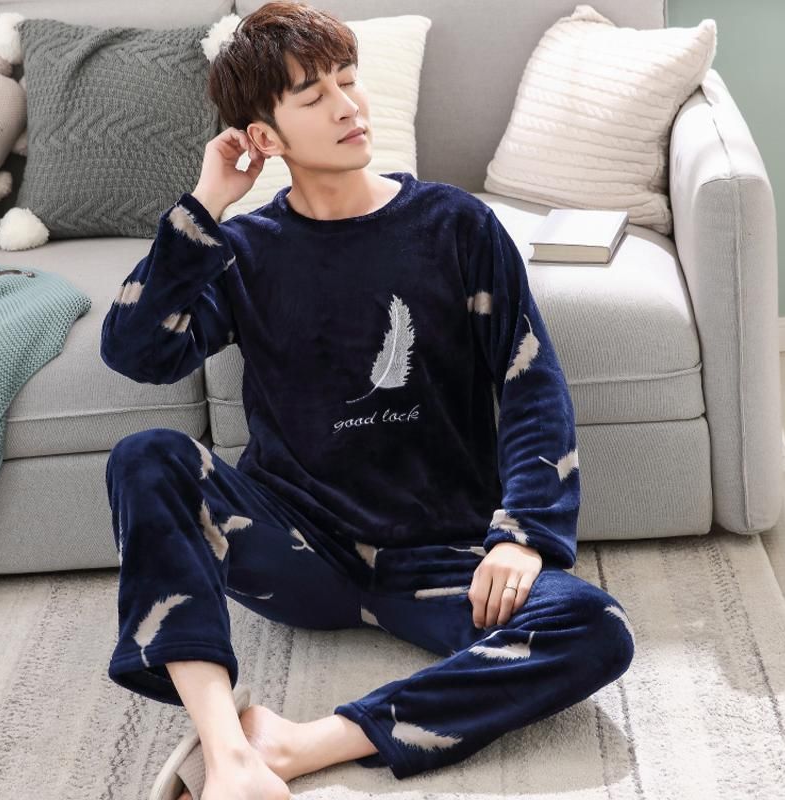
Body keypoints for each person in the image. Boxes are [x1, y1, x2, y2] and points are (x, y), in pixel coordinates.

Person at [100, 2, 635, 798]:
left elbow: (530, 386)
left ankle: (297, 745)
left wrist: (523, 537)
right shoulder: (244, 253)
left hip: (441, 557)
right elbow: (136, 350)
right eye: (314, 95)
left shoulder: (456, 226)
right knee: (146, 457)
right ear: (264, 136)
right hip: (297, 551)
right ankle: (226, 749)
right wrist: (206, 205)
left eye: (348, 81)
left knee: (594, 627)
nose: (348, 106)